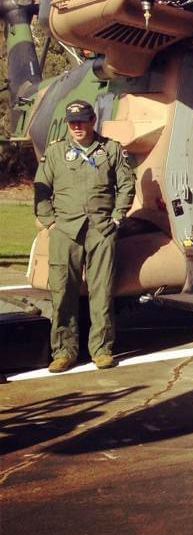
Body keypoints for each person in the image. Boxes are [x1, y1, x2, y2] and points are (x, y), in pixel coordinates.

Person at [34, 99, 135, 372]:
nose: (77, 126)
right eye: (72, 122)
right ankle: (64, 351)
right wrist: (50, 223)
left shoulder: (110, 149)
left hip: (101, 229)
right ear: (68, 124)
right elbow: (41, 190)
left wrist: (117, 216)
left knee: (102, 292)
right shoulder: (55, 153)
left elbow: (127, 185)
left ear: (92, 121)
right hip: (65, 230)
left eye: (82, 120)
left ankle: (101, 350)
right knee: (63, 291)